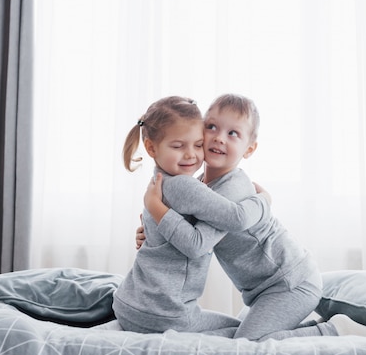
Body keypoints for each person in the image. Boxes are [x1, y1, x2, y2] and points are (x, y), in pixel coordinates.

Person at [142, 93, 366, 341]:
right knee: (248, 334)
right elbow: (183, 225)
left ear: (249, 149)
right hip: (264, 288)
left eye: (232, 133)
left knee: (248, 345)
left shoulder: (233, 188)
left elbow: (203, 237)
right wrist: (150, 232)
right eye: (211, 127)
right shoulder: (200, 187)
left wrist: (264, 200)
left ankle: (335, 331)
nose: (218, 138)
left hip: (289, 282)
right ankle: (319, 327)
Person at [112, 95, 272, 335]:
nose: (190, 155)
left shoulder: (160, 180)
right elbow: (233, 219)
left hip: (128, 303)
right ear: (151, 147)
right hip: (166, 315)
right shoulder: (185, 186)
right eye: (178, 146)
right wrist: (264, 200)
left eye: (198, 145)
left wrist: (152, 226)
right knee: (240, 334)